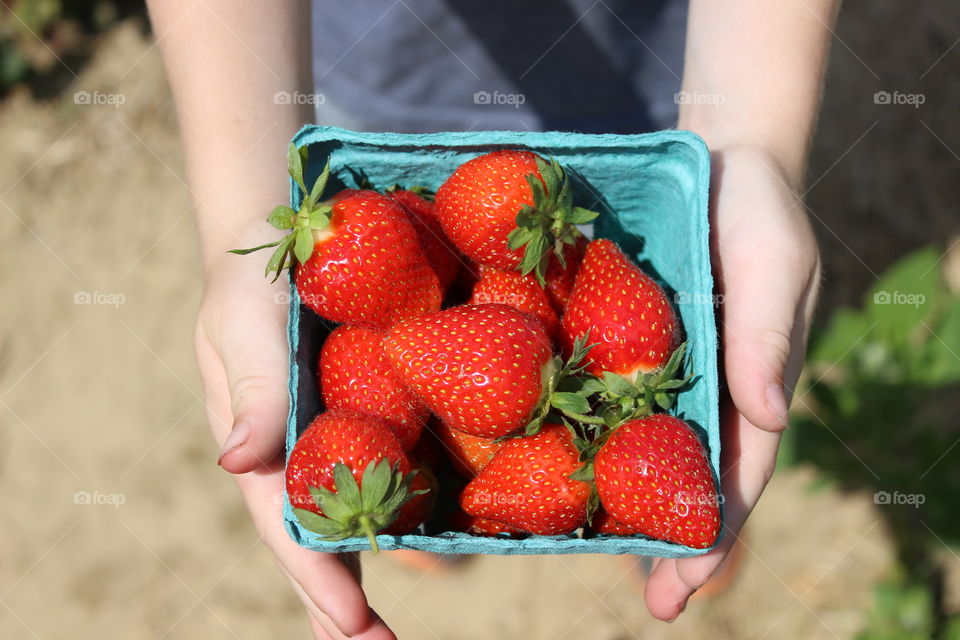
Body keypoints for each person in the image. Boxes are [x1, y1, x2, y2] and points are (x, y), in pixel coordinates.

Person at [147, 1, 828, 637]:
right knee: (423, 489)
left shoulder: (498, 301)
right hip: (375, 72)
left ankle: (594, 517)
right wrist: (244, 210)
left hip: (656, 71)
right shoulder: (398, 265)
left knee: (621, 485)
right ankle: (423, 508)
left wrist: (749, 143)